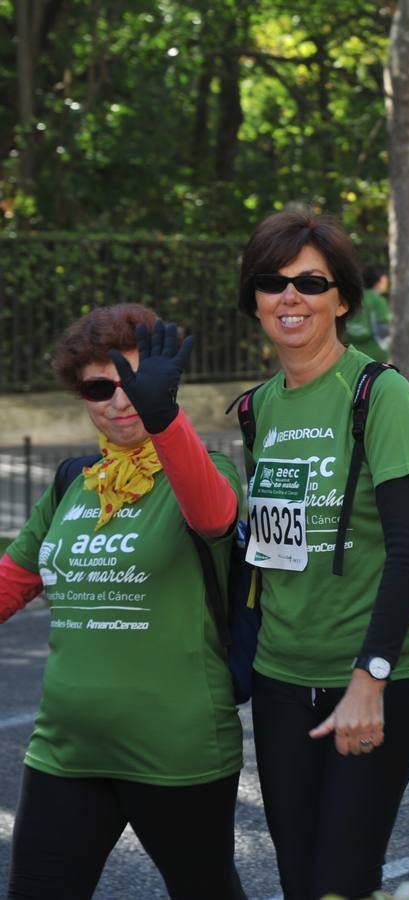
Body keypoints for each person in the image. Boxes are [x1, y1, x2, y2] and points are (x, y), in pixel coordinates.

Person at [0, 305, 245, 899]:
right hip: (67, 750)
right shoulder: (72, 484)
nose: (120, 399)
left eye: (136, 382)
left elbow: (214, 517)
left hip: (176, 753)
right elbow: (9, 584)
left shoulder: (202, 473)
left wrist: (166, 421)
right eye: (100, 386)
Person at [237, 211, 409, 899]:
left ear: (342, 298)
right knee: (298, 882)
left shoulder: (378, 392)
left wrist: (369, 677)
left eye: (310, 282)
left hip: (370, 679)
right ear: (254, 299)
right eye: (273, 282)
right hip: (280, 681)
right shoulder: (254, 409)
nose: (289, 297)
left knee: (342, 883)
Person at [345, 264, 392, 362]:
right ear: (381, 280)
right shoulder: (378, 300)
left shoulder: (354, 297)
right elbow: (383, 330)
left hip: (353, 353)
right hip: (376, 354)